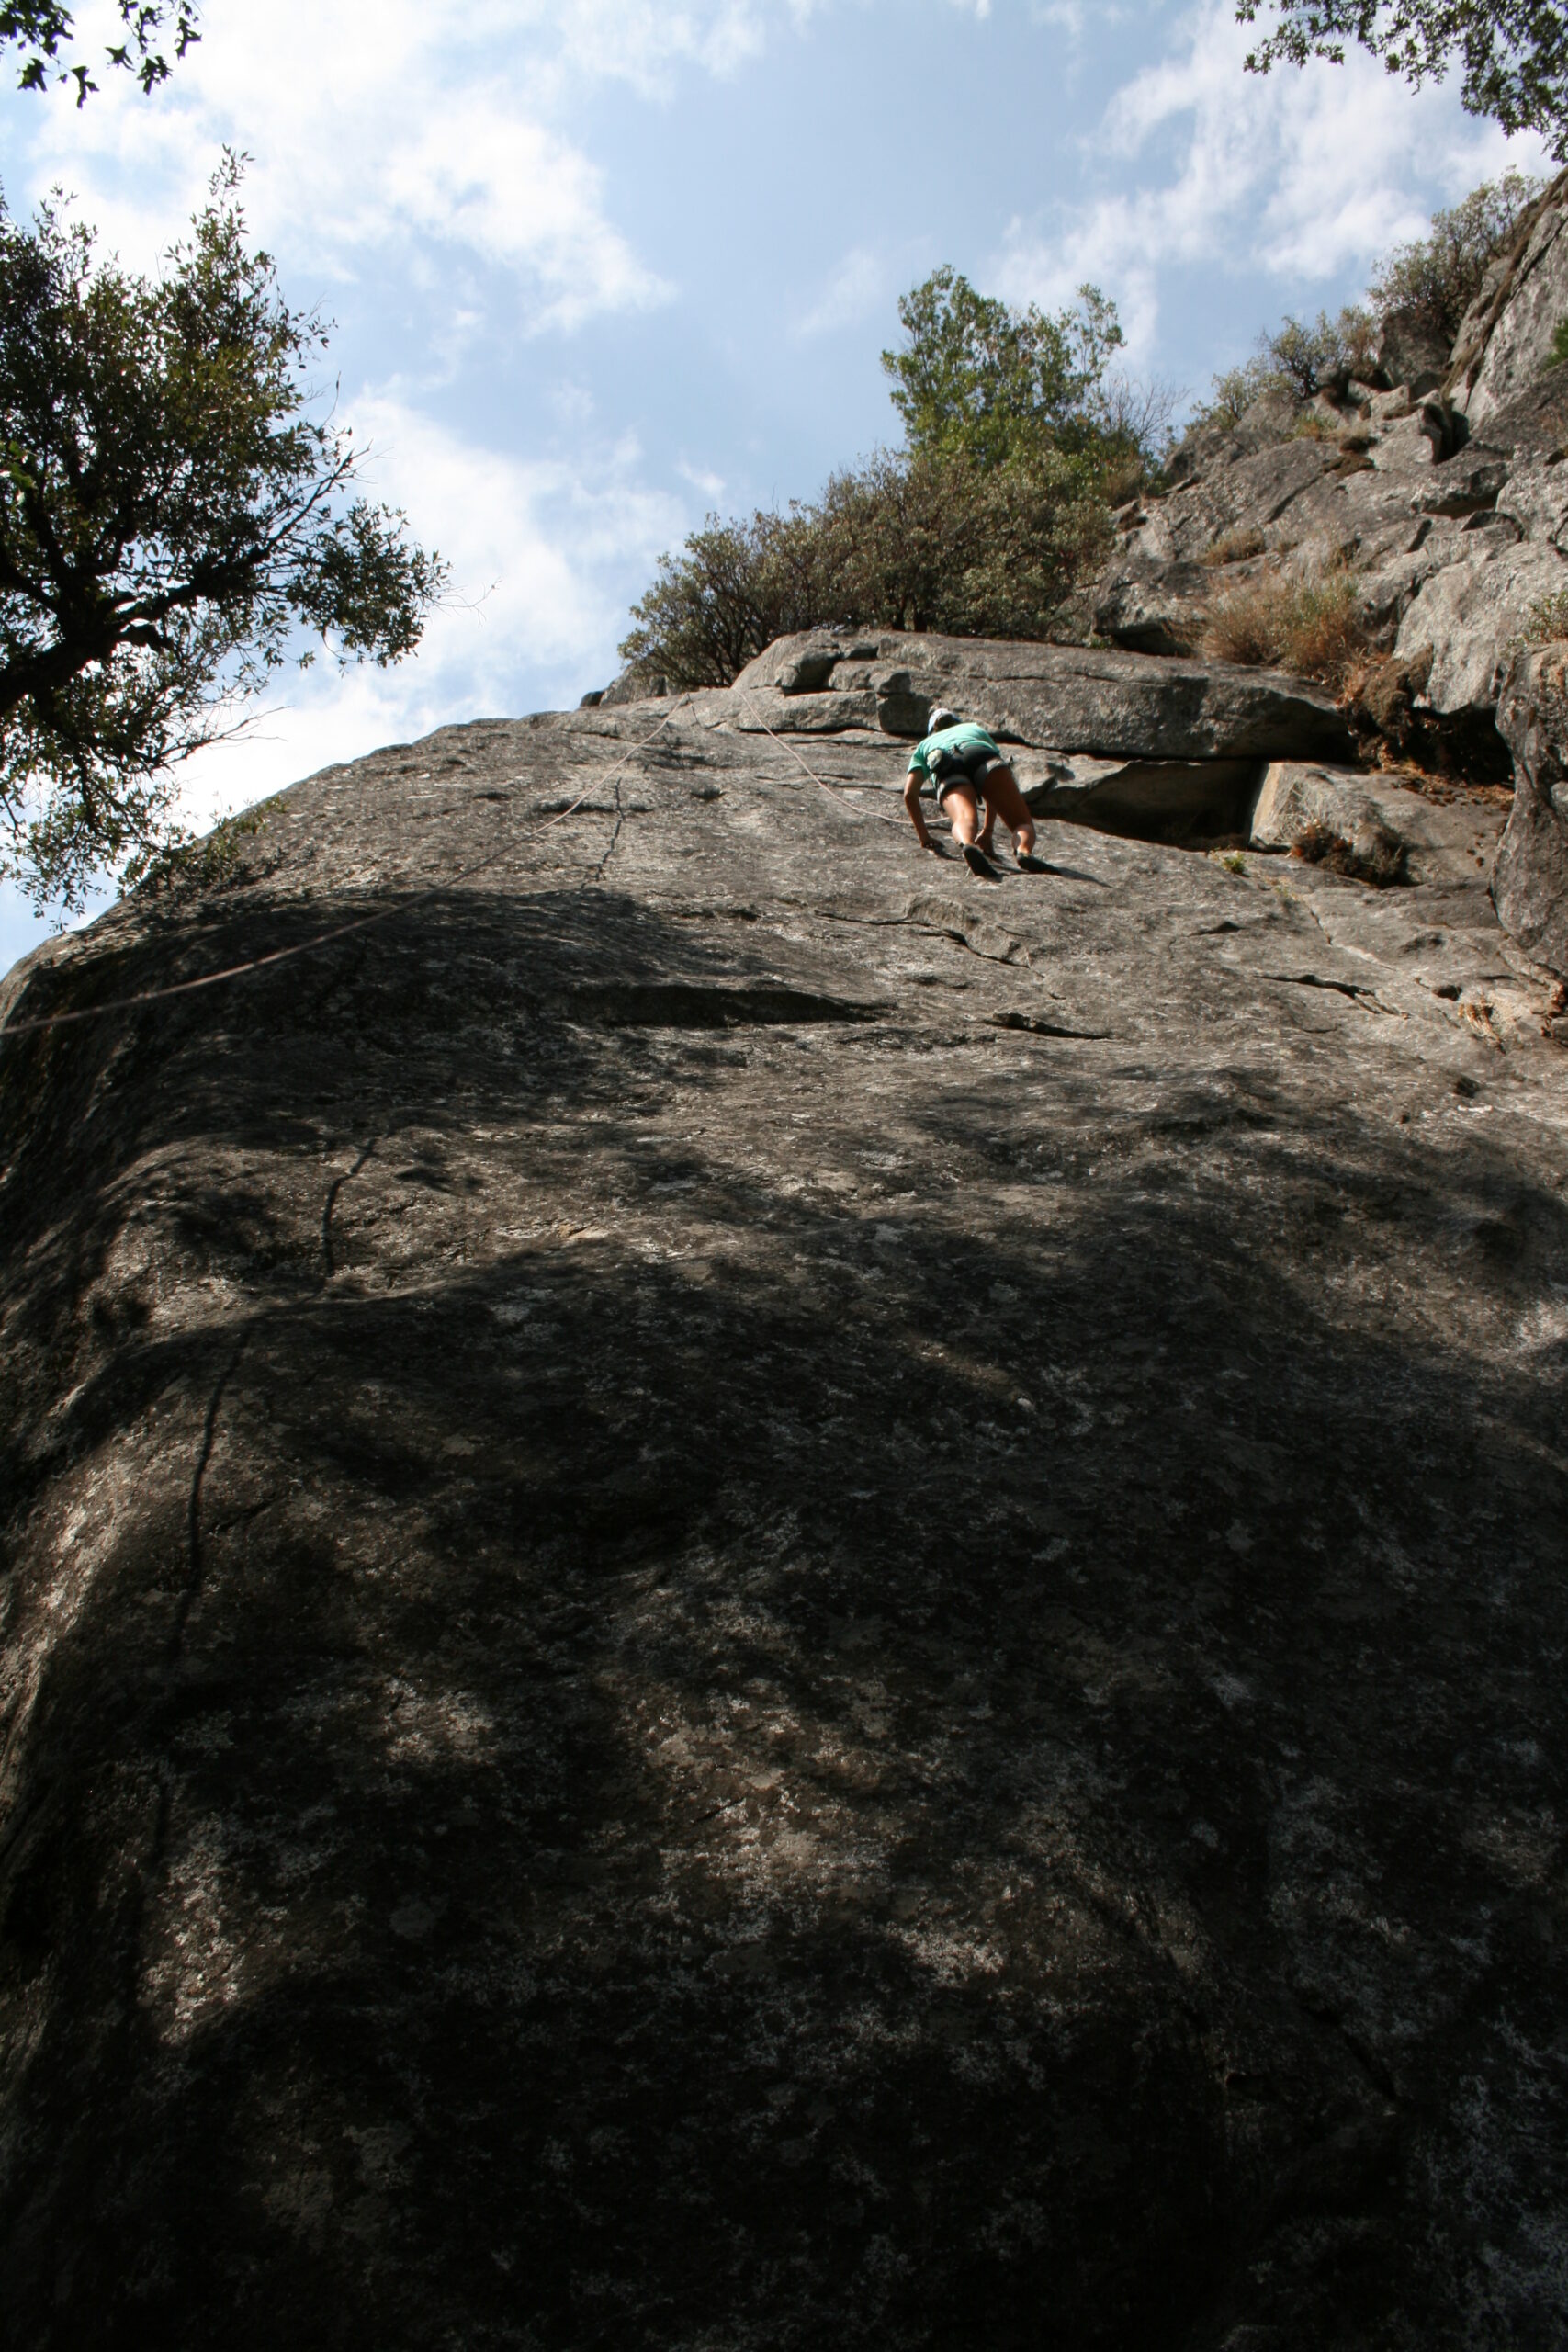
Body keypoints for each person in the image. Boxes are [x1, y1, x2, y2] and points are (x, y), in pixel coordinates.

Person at [902, 705, 1044, 876]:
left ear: (932, 730)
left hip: (946, 764)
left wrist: (924, 837)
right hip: (983, 756)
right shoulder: (973, 728)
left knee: (964, 818)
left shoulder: (924, 745)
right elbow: (992, 793)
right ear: (956, 722)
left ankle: (968, 844)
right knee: (1022, 823)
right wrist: (987, 831)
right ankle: (1023, 851)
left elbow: (910, 794)